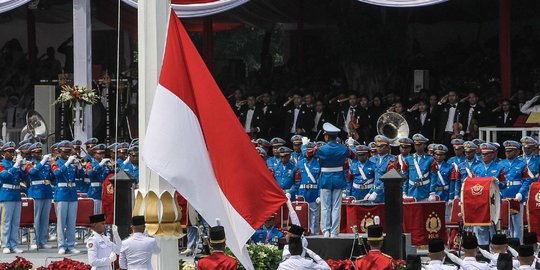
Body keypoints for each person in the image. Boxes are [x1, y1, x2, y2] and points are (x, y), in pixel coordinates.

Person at [309, 123, 353, 237]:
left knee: (325, 206)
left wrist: (305, 146)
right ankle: (334, 231)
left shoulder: (321, 149)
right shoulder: (343, 148)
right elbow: (353, 155)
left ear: (327, 136)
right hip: (338, 177)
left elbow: (307, 154)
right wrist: (350, 146)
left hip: (325, 179)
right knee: (336, 206)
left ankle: (326, 230)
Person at [52, 140, 85, 254]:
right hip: (61, 194)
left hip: (72, 194)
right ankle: (61, 245)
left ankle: (70, 245)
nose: (67, 154)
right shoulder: (56, 162)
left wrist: (79, 166)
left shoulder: (72, 162)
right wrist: (67, 164)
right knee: (61, 221)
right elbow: (56, 174)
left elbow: (81, 175)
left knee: (71, 221)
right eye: (65, 151)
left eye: (69, 151)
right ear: (59, 151)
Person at [471, 143, 506, 247]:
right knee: (481, 225)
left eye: (486, 154)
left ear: (492, 155)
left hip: (493, 200)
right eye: (482, 154)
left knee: (493, 225)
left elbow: (504, 184)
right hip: (480, 201)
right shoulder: (477, 168)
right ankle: (483, 247)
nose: (484, 156)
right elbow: (472, 184)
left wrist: (497, 182)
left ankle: (495, 248)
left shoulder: (499, 168)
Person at [499, 140, 531, 240]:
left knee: (517, 223)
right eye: (507, 151)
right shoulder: (500, 163)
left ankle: (517, 244)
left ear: (517, 152)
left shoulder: (522, 164)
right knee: (504, 222)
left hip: (516, 194)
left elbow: (526, 180)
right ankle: (505, 244)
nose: (508, 153)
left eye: (511, 151)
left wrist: (521, 193)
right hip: (504, 194)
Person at [26, 142, 53, 250]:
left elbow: (52, 176)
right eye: (36, 152)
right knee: (35, 218)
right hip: (36, 192)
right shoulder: (29, 162)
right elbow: (32, 172)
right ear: (32, 153)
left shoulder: (46, 163)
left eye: (40, 151)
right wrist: (42, 161)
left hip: (46, 191)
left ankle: (43, 241)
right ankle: (34, 240)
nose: (38, 153)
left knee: (45, 218)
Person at [0, 142, 24, 254]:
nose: (11, 154)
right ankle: (5, 244)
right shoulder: (2, 164)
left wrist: (23, 167)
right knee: (6, 222)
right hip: (7, 194)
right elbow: (4, 176)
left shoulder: (15, 163)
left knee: (15, 222)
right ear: (3, 153)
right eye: (8, 152)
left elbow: (24, 178)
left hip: (16, 194)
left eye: (12, 151)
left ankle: (14, 244)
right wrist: (15, 166)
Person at [296, 142, 321, 234]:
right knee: (302, 213)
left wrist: (319, 195)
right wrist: (297, 194)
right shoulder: (300, 163)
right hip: (302, 191)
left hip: (313, 191)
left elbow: (320, 180)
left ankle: (314, 233)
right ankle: (303, 232)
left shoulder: (317, 164)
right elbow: (298, 180)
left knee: (314, 214)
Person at [402, 134, 434, 201]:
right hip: (411, 191)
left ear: (424, 145)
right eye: (416, 145)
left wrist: (432, 192)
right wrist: (404, 191)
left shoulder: (430, 159)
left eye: (420, 144)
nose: (417, 146)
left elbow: (433, 176)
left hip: (425, 191)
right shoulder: (408, 159)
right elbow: (405, 176)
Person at [368, 135, 397, 203]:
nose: (379, 148)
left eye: (381, 146)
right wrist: (370, 192)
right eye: (378, 146)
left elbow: (389, 178)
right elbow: (374, 178)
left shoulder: (392, 160)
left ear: (387, 147)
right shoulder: (372, 159)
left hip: (386, 192)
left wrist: (376, 192)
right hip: (374, 192)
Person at [86, 144, 112, 214]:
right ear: (94, 154)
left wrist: (112, 167)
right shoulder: (91, 164)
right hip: (95, 192)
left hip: (104, 192)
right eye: (99, 153)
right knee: (95, 214)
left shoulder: (105, 164)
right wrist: (100, 165)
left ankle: (101, 225)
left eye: (103, 153)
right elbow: (89, 174)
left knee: (102, 213)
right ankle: (95, 225)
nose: (102, 155)